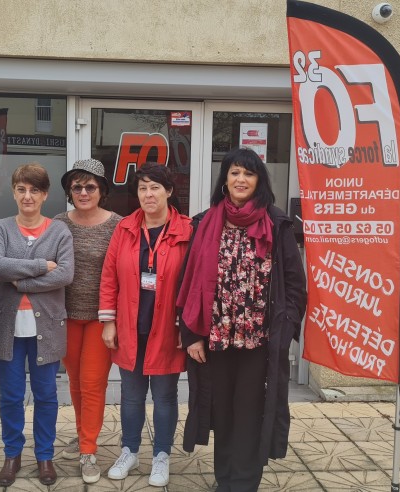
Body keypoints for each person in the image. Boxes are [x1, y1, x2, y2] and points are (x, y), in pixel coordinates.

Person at [177, 148, 307, 492]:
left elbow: (295, 285)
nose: (240, 179)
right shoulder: (205, 222)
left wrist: (284, 331)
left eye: (248, 173)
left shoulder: (276, 223)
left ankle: (244, 482)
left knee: (249, 412)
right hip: (215, 338)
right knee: (222, 412)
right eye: (234, 172)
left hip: (259, 341)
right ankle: (226, 479)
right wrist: (191, 335)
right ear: (225, 178)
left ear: (258, 180)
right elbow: (188, 282)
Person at [98, 162, 192, 487]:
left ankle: (162, 455)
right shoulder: (125, 228)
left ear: (169, 191)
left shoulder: (186, 231)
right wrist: (109, 322)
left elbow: (194, 284)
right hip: (131, 327)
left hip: (167, 329)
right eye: (142, 188)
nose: (148, 194)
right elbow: (109, 277)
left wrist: (187, 327)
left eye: (155, 187)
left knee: (165, 396)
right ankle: (129, 451)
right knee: (131, 396)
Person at [0, 163, 74, 487]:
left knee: (46, 395)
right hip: (6, 327)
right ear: (14, 192)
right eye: (21, 189)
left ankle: (44, 455)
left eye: (34, 190)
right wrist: (40, 266)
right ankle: (12, 454)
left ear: (45, 194)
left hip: (47, 327)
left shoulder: (59, 231)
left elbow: (65, 274)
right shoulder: (0, 228)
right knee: (10, 396)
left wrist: (20, 282)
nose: (28, 196)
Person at [53, 159, 122, 484]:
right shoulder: (57, 223)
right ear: (70, 191)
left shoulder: (117, 225)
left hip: (100, 318)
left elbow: (122, 274)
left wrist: (113, 319)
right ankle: (83, 436)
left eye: (90, 186)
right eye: (77, 187)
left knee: (93, 383)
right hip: (64, 315)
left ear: (101, 190)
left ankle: (89, 451)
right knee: (76, 382)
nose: (83, 192)